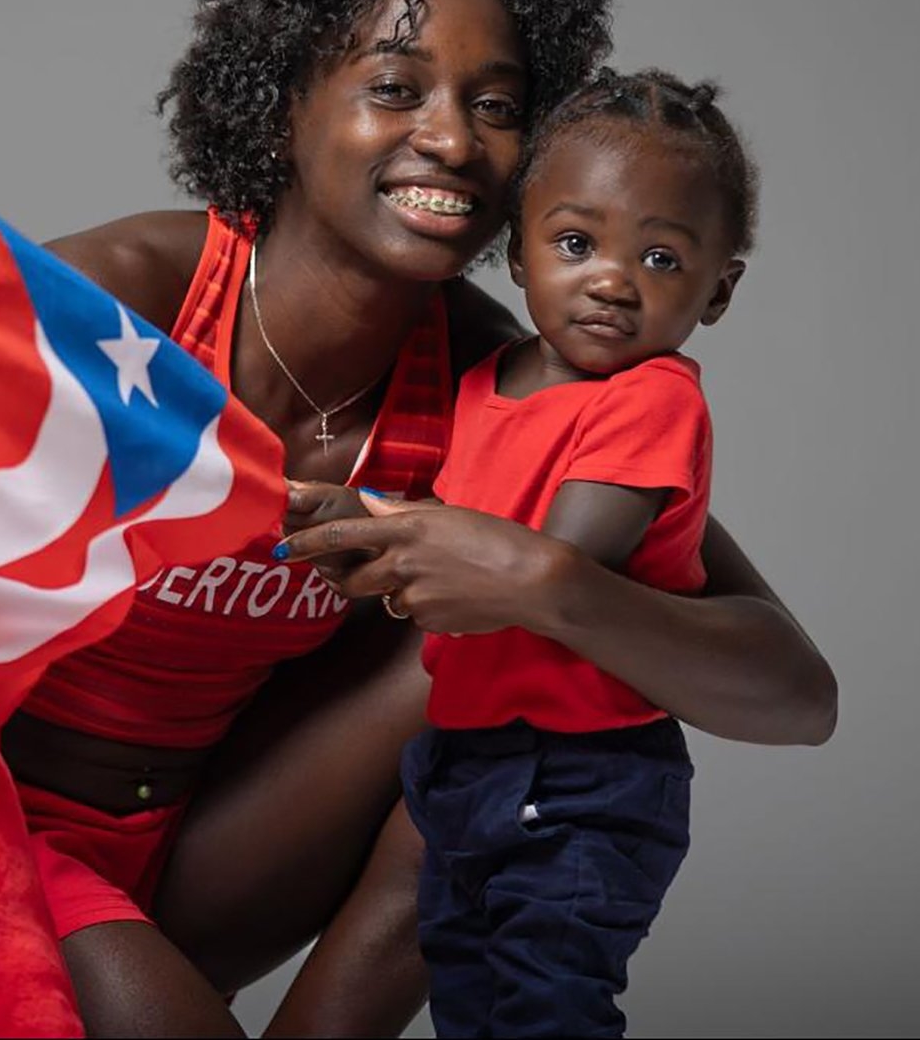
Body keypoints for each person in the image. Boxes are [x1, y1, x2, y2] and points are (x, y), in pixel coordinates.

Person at [0, 0, 836, 1036]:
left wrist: (542, 582)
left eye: (498, 107)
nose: (457, 141)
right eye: (395, 88)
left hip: (212, 854)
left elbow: (796, 697)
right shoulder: (137, 290)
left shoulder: (511, 378)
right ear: (285, 107)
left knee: (492, 660)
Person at [303, 68, 757, 1037]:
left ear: (719, 288)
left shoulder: (654, 398)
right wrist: (352, 520)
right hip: (466, 760)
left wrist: (405, 549)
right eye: (577, 243)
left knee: (549, 1004)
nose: (611, 279)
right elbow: (444, 531)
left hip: (584, 773)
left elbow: (549, 564)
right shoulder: (482, 386)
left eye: (663, 260)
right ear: (518, 254)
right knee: (471, 995)